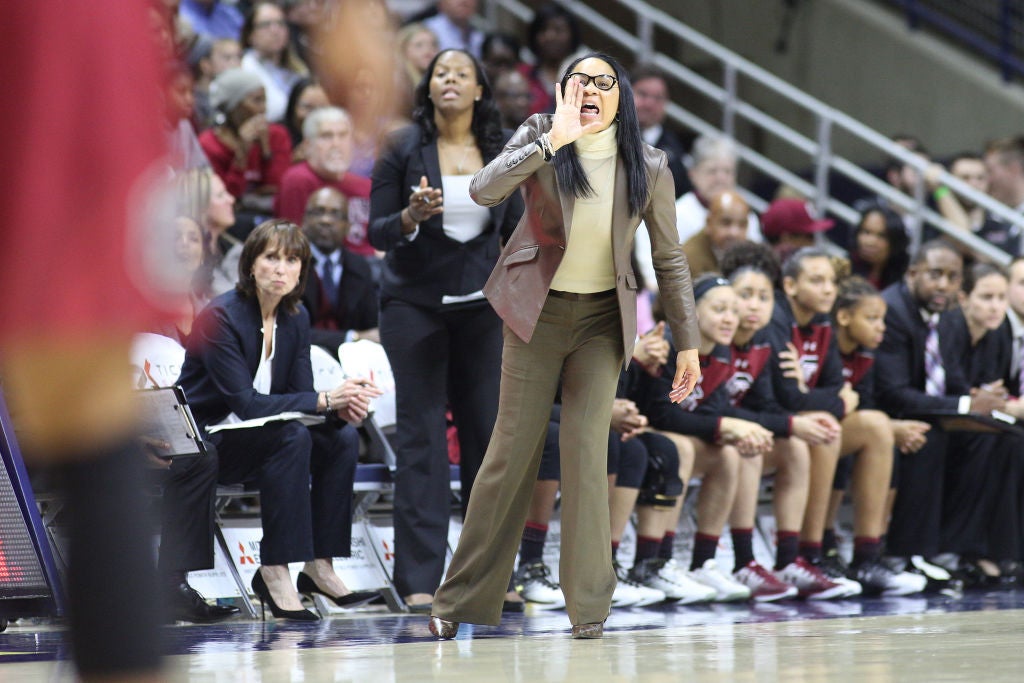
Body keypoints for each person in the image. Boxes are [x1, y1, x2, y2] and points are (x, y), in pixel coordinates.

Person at [429, 51, 701, 640]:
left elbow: (670, 257)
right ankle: (457, 601)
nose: (593, 90)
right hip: (535, 313)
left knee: (587, 454)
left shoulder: (650, 165)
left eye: (605, 83)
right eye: (581, 81)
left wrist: (688, 343)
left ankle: (589, 609)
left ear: (620, 97)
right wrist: (552, 140)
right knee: (510, 454)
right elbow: (482, 191)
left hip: (604, 321)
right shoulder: (539, 134)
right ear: (561, 91)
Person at [368, 48, 524, 613]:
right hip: (413, 305)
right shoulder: (402, 147)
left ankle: (488, 575)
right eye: (441, 73)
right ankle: (419, 578)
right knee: (421, 441)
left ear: (480, 89)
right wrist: (412, 216)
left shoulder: (504, 150)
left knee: (488, 441)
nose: (450, 79)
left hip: (481, 307)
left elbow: (514, 230)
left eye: (462, 72)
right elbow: (378, 231)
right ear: (428, 88)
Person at [176, 219, 383, 621]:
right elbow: (246, 404)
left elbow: (301, 397)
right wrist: (324, 398)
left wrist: (338, 407)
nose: (281, 269)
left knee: (339, 438)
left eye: (292, 260)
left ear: (302, 271)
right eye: (271, 258)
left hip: (260, 438)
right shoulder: (221, 317)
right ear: (251, 264)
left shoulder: (295, 317)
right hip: (209, 439)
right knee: (291, 437)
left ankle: (319, 566)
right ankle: (274, 569)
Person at [874, 239, 1005, 586]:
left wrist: (980, 402)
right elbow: (894, 393)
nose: (943, 285)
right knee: (929, 438)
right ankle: (903, 552)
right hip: (886, 414)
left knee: (998, 438)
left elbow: (949, 381)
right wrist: (965, 405)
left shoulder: (943, 317)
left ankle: (956, 548)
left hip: (926, 410)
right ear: (912, 272)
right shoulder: (893, 311)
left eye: (952, 277)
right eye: (935, 275)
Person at [199, 68, 292, 216]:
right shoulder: (209, 144)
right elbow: (227, 197)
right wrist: (242, 152)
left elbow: (277, 187)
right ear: (233, 106)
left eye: (265, 100)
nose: (264, 108)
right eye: (257, 100)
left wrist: (266, 149)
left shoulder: (277, 134)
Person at [299, 187, 380, 352]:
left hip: (352, 361)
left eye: (335, 214)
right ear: (304, 220)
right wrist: (352, 337)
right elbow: (287, 331)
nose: (326, 220)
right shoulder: (289, 263)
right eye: (318, 212)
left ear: (348, 226)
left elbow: (372, 328)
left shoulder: (360, 267)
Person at [240, 1, 310, 123]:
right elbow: (274, 110)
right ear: (250, 34)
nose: (275, 30)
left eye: (280, 23)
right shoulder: (245, 68)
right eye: (266, 25)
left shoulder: (297, 66)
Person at [630, 63, 691, 199]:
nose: (649, 104)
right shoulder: (608, 137)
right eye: (643, 94)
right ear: (626, 94)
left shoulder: (675, 150)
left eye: (658, 98)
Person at [518, 3, 583, 115]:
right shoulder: (521, 75)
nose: (550, 36)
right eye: (543, 30)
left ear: (573, 35)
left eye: (558, 30)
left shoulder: (584, 77)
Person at [681, 190, 750, 278]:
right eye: (726, 223)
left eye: (742, 225)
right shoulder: (688, 261)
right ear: (709, 223)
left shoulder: (750, 253)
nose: (734, 233)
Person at [848, 203, 910, 291]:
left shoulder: (904, 279)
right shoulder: (844, 270)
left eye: (881, 236)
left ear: (895, 241)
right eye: (866, 232)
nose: (870, 242)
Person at [282, 78, 330, 152]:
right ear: (293, 106)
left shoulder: (335, 136)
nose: (314, 115)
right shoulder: (278, 135)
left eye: (322, 108)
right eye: (308, 107)